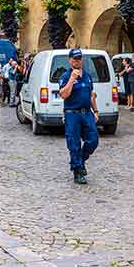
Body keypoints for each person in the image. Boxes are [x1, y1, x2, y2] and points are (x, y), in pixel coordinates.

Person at [59, 48, 100, 185]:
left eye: (80, 58)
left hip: (87, 112)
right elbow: (64, 95)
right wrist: (72, 79)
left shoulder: (87, 76)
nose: (78, 61)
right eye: (75, 59)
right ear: (70, 60)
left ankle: (79, 161)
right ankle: (77, 171)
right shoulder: (65, 76)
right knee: (74, 144)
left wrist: (96, 111)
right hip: (72, 114)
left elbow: (91, 95)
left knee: (93, 140)